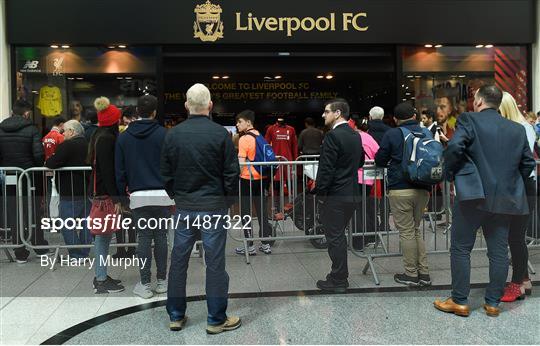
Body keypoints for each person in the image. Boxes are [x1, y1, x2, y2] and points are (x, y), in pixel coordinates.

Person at [434, 85, 535, 317]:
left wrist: (449, 172)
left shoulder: (469, 120)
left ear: (478, 101)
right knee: (498, 251)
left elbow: (456, 147)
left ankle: (459, 300)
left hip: (472, 196)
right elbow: (528, 165)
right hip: (505, 199)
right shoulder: (517, 129)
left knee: (461, 248)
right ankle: (492, 302)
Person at [162, 83, 241, 333]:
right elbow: (231, 174)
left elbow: (165, 173)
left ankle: (176, 315)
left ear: (186, 105)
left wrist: (178, 196)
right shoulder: (221, 134)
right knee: (215, 262)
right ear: (210, 105)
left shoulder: (172, 134)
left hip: (185, 206)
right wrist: (225, 202)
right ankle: (216, 319)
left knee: (179, 260)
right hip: (213, 206)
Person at [115, 94, 173, 299]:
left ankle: (145, 283)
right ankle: (162, 281)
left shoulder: (124, 137)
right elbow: (172, 166)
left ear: (137, 112)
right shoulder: (164, 135)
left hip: (138, 195)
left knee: (144, 239)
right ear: (155, 112)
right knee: (161, 238)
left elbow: (119, 171)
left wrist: (121, 198)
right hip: (162, 194)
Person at [375, 102, 432, 287]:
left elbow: (380, 159)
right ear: (415, 116)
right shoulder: (427, 133)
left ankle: (411, 274)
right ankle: (424, 273)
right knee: (416, 231)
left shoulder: (392, 133)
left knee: (407, 232)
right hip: (424, 188)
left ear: (395, 119)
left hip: (400, 188)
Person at [315, 98, 364, 293]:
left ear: (337, 113)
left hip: (334, 195)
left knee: (334, 237)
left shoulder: (333, 136)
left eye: (326, 111)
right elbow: (360, 161)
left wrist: (321, 194)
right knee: (339, 236)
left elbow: (326, 169)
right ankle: (338, 276)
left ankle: (338, 279)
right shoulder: (355, 135)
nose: (323, 115)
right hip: (351, 193)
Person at [0, 99, 49, 263]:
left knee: (13, 212)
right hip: (29, 176)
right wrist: (36, 167)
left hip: (10, 176)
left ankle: (19, 250)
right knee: (33, 211)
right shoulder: (31, 129)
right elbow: (38, 155)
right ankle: (38, 245)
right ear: (26, 113)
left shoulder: (1, 128)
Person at [498, 92, 536, 302]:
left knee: (515, 238)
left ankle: (517, 283)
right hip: (518, 186)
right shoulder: (521, 127)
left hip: (522, 187)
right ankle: (524, 279)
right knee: (515, 237)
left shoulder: (521, 128)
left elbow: (523, 160)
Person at [88, 96, 124, 294]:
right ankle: (100, 279)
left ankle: (101, 275)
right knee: (103, 238)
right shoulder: (107, 139)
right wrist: (117, 198)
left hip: (100, 193)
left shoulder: (97, 136)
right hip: (104, 196)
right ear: (114, 121)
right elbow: (108, 171)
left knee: (103, 237)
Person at [45, 120, 91, 259]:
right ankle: (84, 251)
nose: (62, 133)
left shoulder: (67, 145)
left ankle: (77, 254)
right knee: (86, 223)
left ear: (72, 131)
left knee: (66, 223)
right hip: (87, 189)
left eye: (64, 131)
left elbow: (52, 163)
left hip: (69, 191)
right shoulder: (89, 144)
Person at [234, 110, 273, 255]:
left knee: (246, 212)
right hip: (262, 179)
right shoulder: (259, 135)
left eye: (240, 121)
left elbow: (241, 163)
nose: (237, 124)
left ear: (248, 122)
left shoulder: (244, 139)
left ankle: (249, 246)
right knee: (262, 211)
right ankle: (265, 244)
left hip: (247, 180)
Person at [351, 117, 379, 250]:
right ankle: (370, 236)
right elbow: (378, 154)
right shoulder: (370, 138)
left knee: (356, 210)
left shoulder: (352, 138)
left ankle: (358, 241)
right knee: (366, 207)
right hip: (369, 180)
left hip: (355, 178)